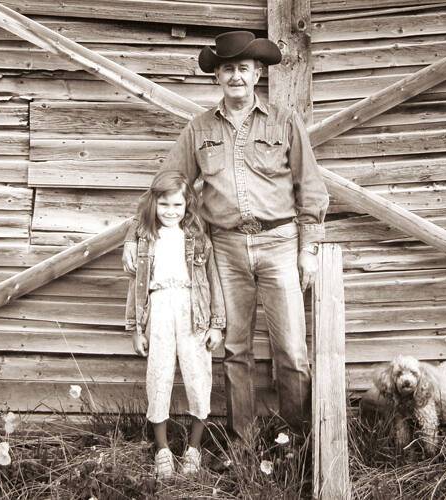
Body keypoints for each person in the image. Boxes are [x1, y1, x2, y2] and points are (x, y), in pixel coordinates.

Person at [124, 31, 328, 439]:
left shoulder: (285, 123)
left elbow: (311, 188)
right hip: (227, 250)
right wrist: (134, 235)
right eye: (228, 69)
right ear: (218, 76)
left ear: (258, 74)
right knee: (236, 352)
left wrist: (308, 248)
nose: (236, 76)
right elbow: (165, 184)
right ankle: (243, 446)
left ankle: (298, 444)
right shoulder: (198, 130)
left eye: (244, 69)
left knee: (292, 352)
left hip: (280, 244)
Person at [123, 169, 226, 479]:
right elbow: (136, 286)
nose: (170, 212)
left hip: (192, 309)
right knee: (159, 376)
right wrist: (135, 328)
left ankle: (194, 449)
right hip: (159, 308)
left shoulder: (197, 238)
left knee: (198, 377)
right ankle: (163, 450)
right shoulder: (145, 239)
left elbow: (213, 280)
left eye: (177, 205)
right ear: (153, 204)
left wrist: (216, 324)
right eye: (164, 205)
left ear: (187, 206)